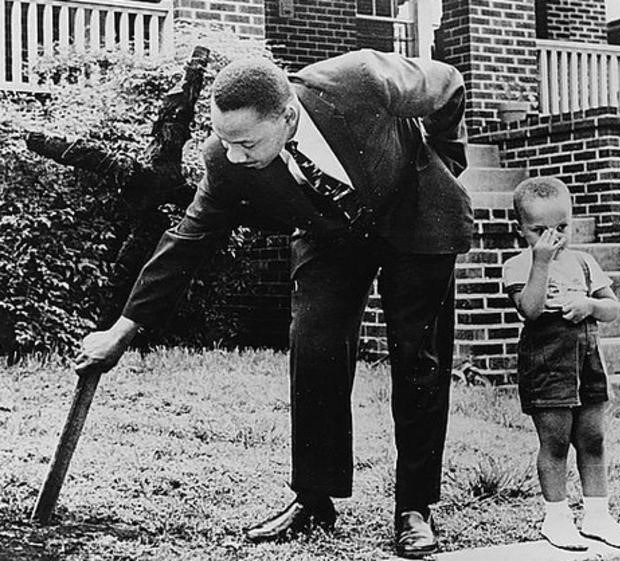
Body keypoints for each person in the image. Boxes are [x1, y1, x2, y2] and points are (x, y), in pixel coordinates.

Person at [75, 50, 472, 558]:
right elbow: (187, 242)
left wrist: (442, 160)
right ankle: (314, 498)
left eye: (246, 143)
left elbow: (449, 84)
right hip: (332, 234)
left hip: (416, 214)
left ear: (286, 117)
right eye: (226, 141)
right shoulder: (226, 160)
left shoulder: (358, 81)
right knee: (314, 348)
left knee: (419, 359)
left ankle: (414, 507)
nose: (235, 156)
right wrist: (121, 331)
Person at [503, 177, 620, 552]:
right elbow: (530, 309)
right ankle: (556, 518)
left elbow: (612, 309)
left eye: (561, 228)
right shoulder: (519, 264)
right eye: (539, 230)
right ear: (521, 230)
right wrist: (540, 261)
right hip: (547, 361)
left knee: (593, 438)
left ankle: (597, 515)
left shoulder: (584, 262)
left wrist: (590, 305)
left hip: (587, 356)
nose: (553, 237)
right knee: (555, 441)